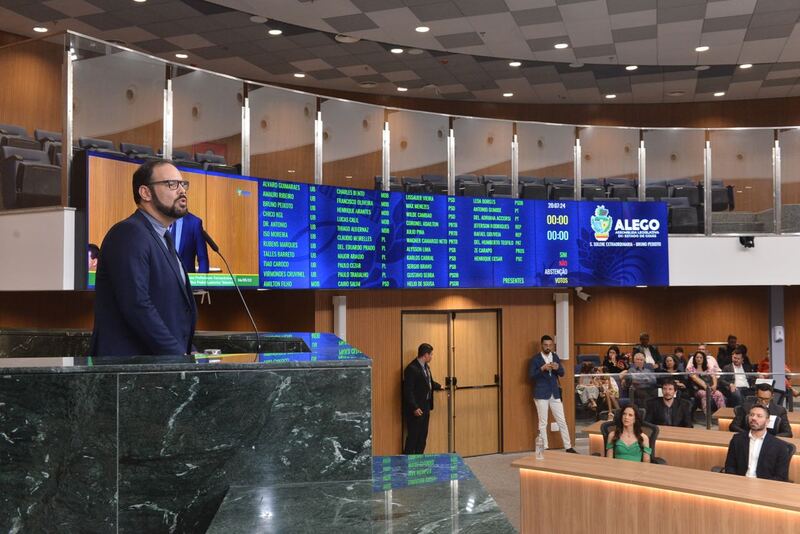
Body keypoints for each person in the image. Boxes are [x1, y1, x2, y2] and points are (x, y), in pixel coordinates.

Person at [90, 160, 197, 357]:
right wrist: (177, 355)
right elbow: (136, 304)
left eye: (183, 184)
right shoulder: (128, 233)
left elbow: (170, 310)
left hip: (162, 364)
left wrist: (190, 353)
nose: (182, 190)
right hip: (130, 367)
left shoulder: (163, 238)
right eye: (172, 184)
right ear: (145, 193)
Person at [529, 335, 576, 453]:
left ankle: (568, 447)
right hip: (541, 393)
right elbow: (531, 376)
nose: (548, 347)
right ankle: (545, 448)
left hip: (554, 393)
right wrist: (542, 368)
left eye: (550, 345)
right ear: (541, 345)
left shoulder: (555, 356)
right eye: (546, 345)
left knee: (562, 420)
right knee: (543, 422)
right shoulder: (535, 359)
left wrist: (557, 367)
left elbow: (562, 373)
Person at [723, 404, 791, 481]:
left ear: (767, 421)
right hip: (739, 483)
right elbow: (730, 467)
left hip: (765, 485)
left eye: (759, 416)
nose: (754, 418)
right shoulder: (737, 440)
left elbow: (781, 477)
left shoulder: (780, 446)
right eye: (751, 415)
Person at [403, 343, 442, 454]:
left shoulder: (426, 367)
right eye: (431, 354)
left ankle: (419, 458)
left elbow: (429, 383)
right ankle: (408, 459)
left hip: (426, 406)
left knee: (423, 435)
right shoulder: (411, 369)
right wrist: (414, 407)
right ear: (425, 355)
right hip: (416, 408)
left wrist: (439, 386)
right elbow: (408, 391)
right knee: (413, 436)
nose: (432, 357)